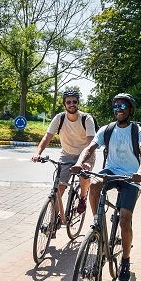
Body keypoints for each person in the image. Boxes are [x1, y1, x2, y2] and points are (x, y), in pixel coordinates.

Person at [72, 93, 141, 281]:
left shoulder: (137, 131)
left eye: (123, 107)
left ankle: (125, 260)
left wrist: (140, 171)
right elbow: (90, 147)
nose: (118, 110)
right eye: (116, 107)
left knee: (124, 219)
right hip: (111, 170)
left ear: (130, 110)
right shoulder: (107, 130)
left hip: (131, 176)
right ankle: (98, 223)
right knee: (95, 183)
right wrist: (80, 163)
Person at [32, 90, 96, 235]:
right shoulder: (59, 119)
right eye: (68, 102)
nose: (72, 104)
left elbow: (90, 143)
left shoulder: (86, 119)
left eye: (74, 101)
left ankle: (82, 197)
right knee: (58, 190)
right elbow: (46, 138)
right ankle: (52, 223)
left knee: (84, 174)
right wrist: (38, 154)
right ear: (64, 104)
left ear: (78, 103)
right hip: (66, 154)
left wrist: (83, 162)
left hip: (85, 154)